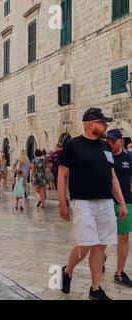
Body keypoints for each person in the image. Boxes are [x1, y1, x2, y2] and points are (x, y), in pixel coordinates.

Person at [59, 107, 127, 300]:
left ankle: (95, 289)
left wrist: (121, 203)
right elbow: (63, 175)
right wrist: (63, 203)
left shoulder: (105, 146)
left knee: (100, 246)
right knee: (86, 244)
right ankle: (68, 271)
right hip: (83, 201)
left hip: (105, 202)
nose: (106, 126)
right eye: (103, 123)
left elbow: (112, 177)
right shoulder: (72, 145)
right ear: (91, 124)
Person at [106, 129, 132, 286]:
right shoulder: (104, 157)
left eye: (113, 141)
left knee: (124, 237)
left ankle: (119, 272)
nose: (110, 144)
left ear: (120, 141)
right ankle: (99, 259)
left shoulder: (129, 157)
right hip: (104, 202)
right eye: (108, 140)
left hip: (126, 201)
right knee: (100, 238)